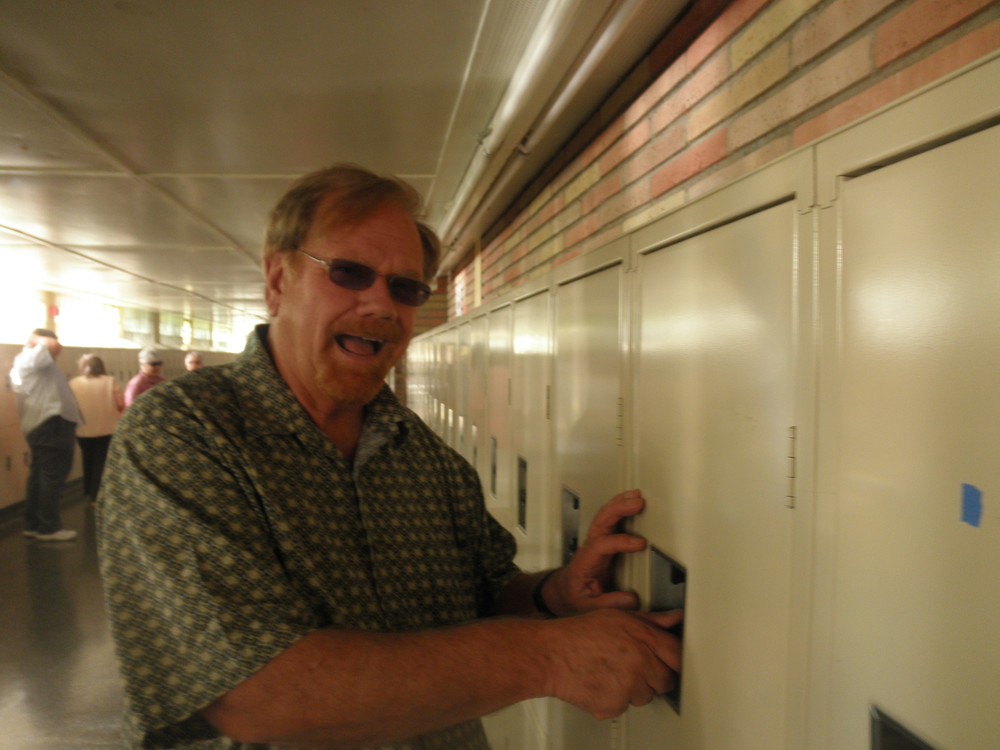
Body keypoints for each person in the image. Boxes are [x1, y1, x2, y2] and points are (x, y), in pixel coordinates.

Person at [97, 164, 682, 750]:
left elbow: (484, 593)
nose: (381, 304)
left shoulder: (419, 453)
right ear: (277, 281)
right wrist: (548, 658)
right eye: (349, 273)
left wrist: (554, 596)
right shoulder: (184, 434)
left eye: (405, 288)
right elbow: (256, 693)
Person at [8, 328, 82, 542]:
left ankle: (34, 525)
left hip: (43, 425)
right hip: (51, 425)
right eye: (56, 346)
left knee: (40, 475)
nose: (58, 351)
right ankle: (49, 527)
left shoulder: (29, 362)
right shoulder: (33, 356)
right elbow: (48, 346)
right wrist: (41, 340)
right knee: (52, 475)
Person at [68, 354, 123, 502]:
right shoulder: (110, 381)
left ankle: (87, 491)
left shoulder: (73, 383)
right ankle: (96, 495)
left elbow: (70, 406)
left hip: (83, 431)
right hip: (107, 429)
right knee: (100, 462)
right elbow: (120, 403)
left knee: (87, 459)